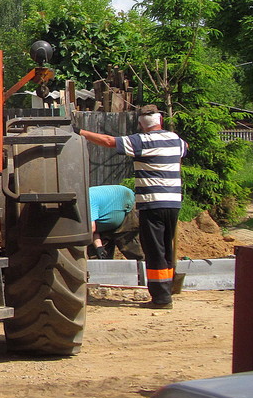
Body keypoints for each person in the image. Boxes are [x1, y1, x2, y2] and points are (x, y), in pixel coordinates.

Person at [78, 105, 188, 309]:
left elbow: (109, 141)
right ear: (161, 121)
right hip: (173, 203)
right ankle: (167, 289)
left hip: (152, 204)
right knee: (165, 248)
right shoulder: (176, 140)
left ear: (140, 124)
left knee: (154, 250)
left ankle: (161, 299)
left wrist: (81, 131)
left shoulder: (140, 141)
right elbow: (184, 149)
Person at [87, 184, 143, 260]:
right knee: (97, 256)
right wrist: (99, 247)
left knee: (132, 248)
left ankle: (145, 269)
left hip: (123, 202)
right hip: (104, 216)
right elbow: (92, 228)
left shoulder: (87, 201)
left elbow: (91, 229)